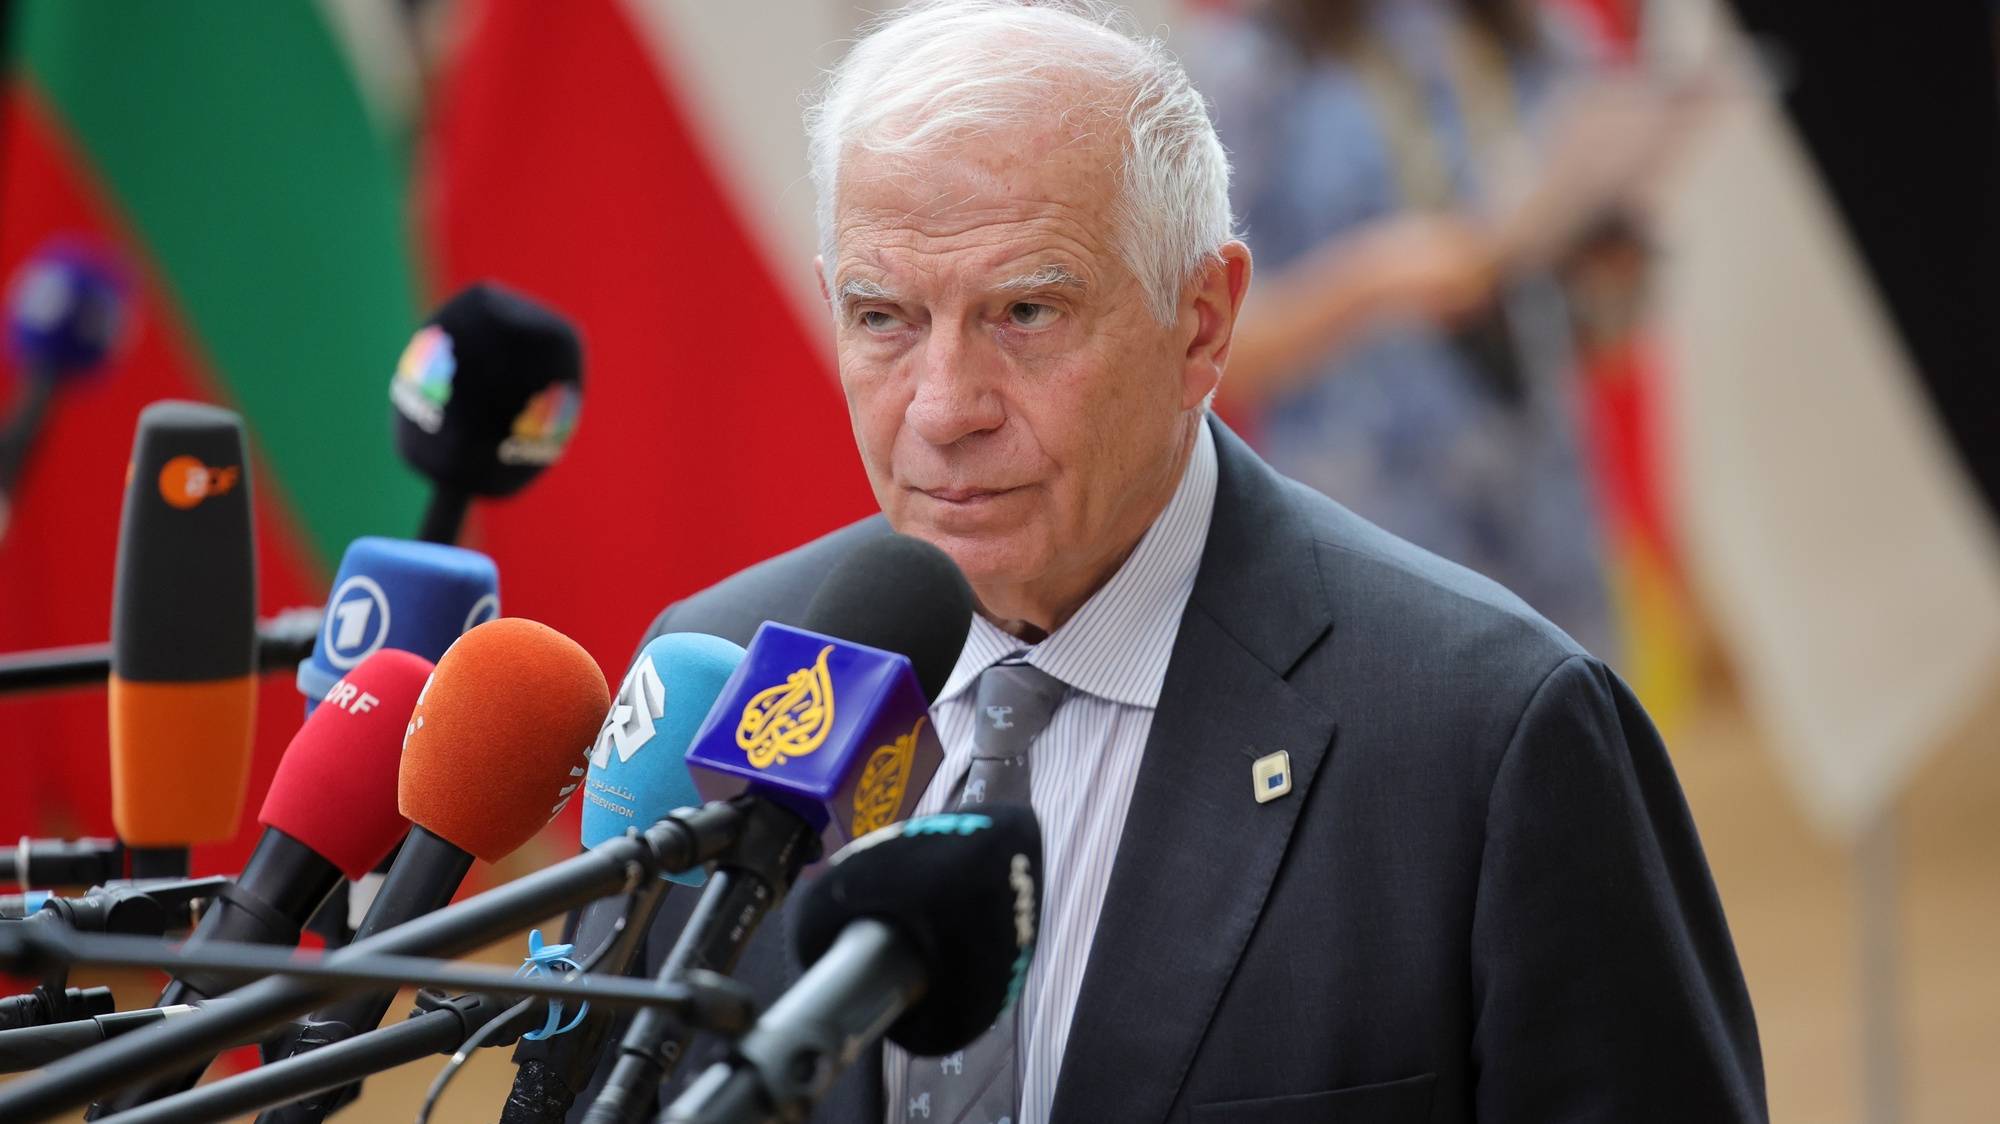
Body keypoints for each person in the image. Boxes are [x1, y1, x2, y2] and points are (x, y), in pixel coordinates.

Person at [601, 2, 1764, 1121]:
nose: (943, 407)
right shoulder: (716, 673)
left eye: (1024, 310)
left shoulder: (1492, 737)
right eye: (882, 317)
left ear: (1200, 321)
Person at [1193, 0, 1628, 661]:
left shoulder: (1523, 31)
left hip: (1543, 485)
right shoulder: (1253, 68)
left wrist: (1602, 255)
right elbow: (1210, 338)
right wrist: (1374, 282)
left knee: (1584, 726)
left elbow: (1606, 311)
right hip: (1376, 513)